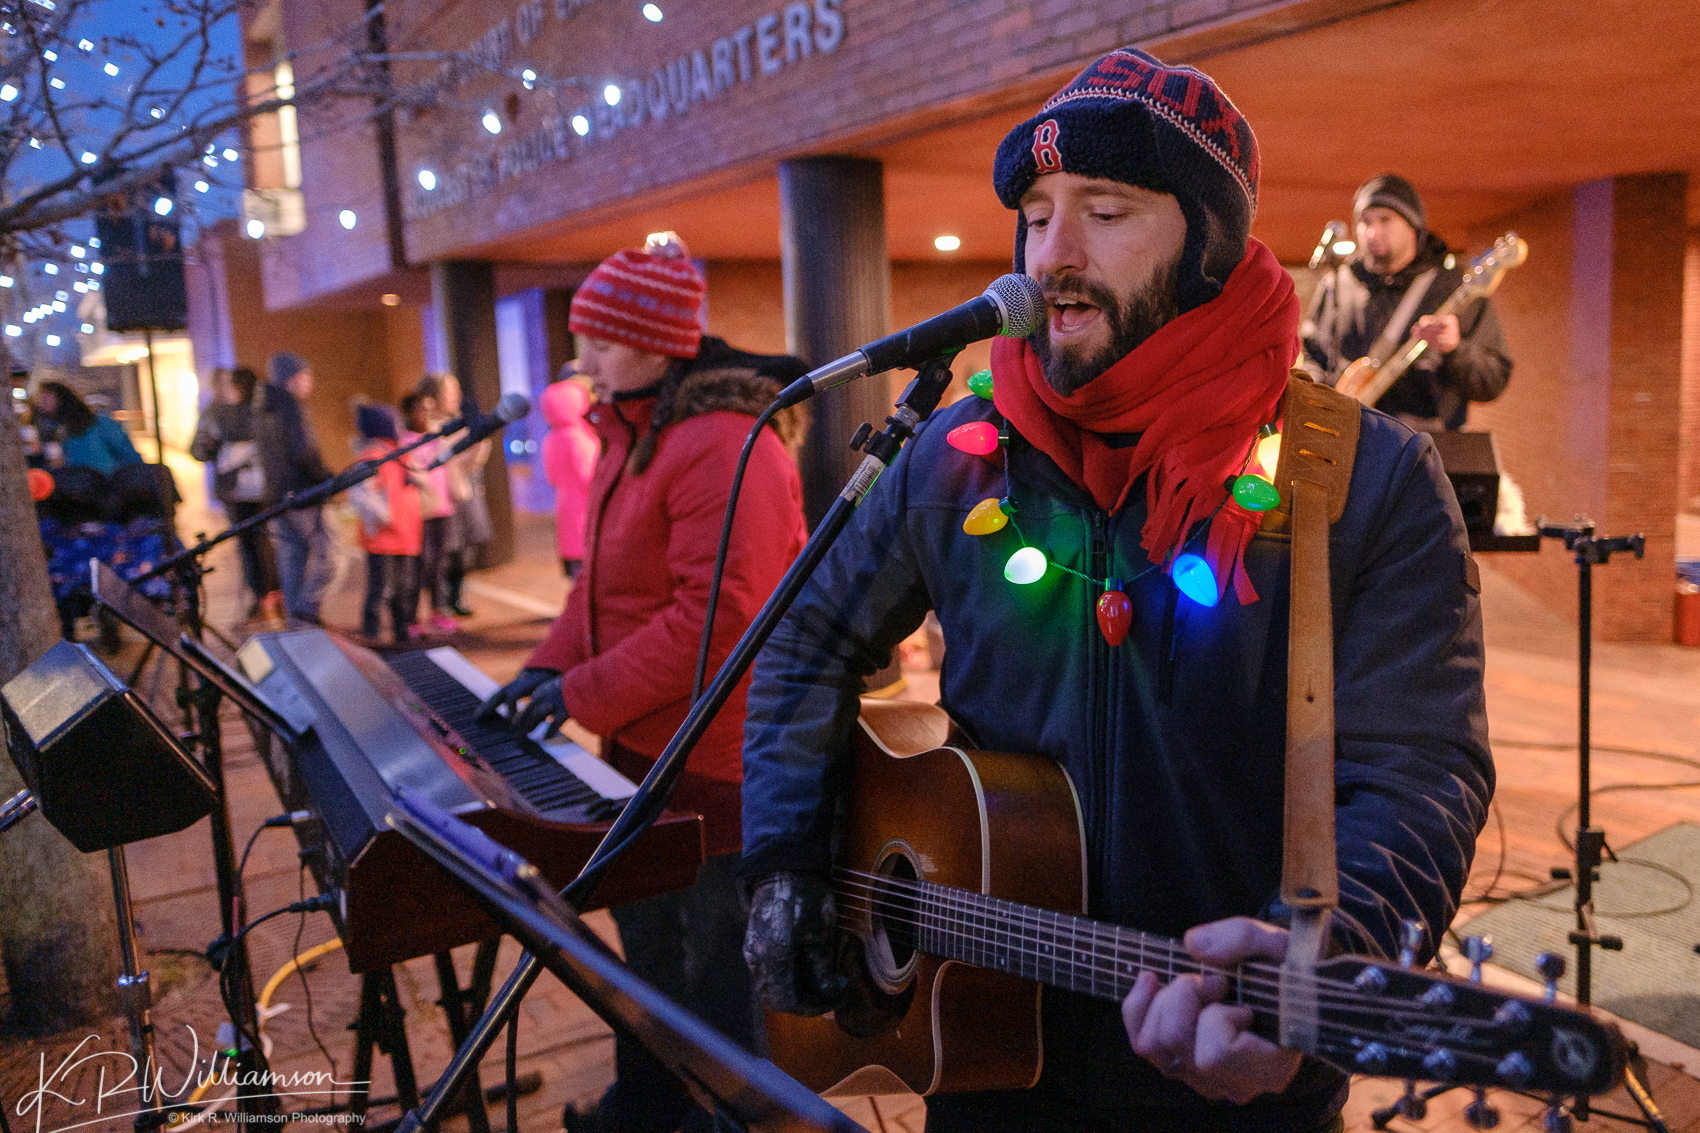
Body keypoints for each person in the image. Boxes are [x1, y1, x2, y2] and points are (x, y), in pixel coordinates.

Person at [737, 48, 1493, 1133]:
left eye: (1104, 209)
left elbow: (1418, 767)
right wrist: (787, 858)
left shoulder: (1359, 475)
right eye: (1036, 215)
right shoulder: (954, 453)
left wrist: (1327, 970)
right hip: (984, 1058)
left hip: (1228, 1088)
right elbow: (803, 636)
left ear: (1208, 243)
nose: (1054, 255)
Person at [475, 238, 809, 1133]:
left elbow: (718, 623)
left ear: (663, 347)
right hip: (639, 749)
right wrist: (547, 665)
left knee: (712, 983)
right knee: (649, 965)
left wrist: (578, 694)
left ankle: (709, 1120)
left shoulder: (718, 445)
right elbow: (596, 589)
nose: (582, 361)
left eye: (603, 343)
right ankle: (649, 1108)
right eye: (582, 340)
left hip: (714, 769)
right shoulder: (638, 435)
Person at [1301, 174, 1512, 431]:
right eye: (1365, 222)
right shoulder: (1337, 285)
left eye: (1386, 220)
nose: (1372, 232)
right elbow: (1310, 358)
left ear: (1413, 225)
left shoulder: (1451, 288)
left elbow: (1493, 381)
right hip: (1347, 445)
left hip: (1428, 452)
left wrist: (1456, 350)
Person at [190, 367, 282, 621]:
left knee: (253, 544)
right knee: (260, 542)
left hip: (243, 489)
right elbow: (198, 450)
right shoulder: (259, 412)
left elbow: (198, 450)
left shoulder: (221, 415)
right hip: (252, 488)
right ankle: (270, 596)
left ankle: (265, 597)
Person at [257, 351, 333, 625]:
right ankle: (305, 609)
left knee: (293, 561)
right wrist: (326, 479)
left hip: (277, 497)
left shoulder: (264, 408)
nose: (310, 381)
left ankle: (296, 625)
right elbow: (304, 453)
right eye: (305, 375)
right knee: (331, 556)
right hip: (301, 496)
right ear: (291, 379)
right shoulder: (291, 409)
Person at [350, 403, 421, 645]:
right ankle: (371, 634)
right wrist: (386, 517)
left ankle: (402, 632)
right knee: (379, 588)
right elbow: (361, 495)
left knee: (403, 588)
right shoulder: (372, 458)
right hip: (383, 537)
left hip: (403, 535)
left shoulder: (398, 454)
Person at [415, 372, 480, 626]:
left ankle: (455, 599)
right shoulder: (429, 428)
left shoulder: (459, 422)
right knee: (441, 554)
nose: (456, 397)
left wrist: (478, 441)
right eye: (449, 392)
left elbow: (471, 463)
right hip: (439, 498)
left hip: (461, 491)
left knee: (463, 551)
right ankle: (440, 606)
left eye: (457, 391)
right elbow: (441, 457)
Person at [400, 391, 455, 637]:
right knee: (419, 565)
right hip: (421, 511)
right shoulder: (406, 440)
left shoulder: (436, 436)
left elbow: (454, 455)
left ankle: (438, 611)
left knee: (440, 563)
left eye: (431, 408)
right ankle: (410, 618)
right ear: (411, 411)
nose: (427, 413)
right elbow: (412, 471)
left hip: (443, 507)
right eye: (422, 408)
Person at [539, 374, 598, 579]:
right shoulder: (578, 438)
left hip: (564, 505)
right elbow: (590, 478)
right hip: (585, 507)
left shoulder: (551, 438)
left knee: (575, 566)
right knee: (588, 565)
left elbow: (551, 477)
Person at [33, 380, 143, 474]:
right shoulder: (48, 429)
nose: (40, 403)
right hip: (70, 489)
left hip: (104, 486)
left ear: (62, 399)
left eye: (45, 398)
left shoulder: (99, 423)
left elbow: (130, 456)